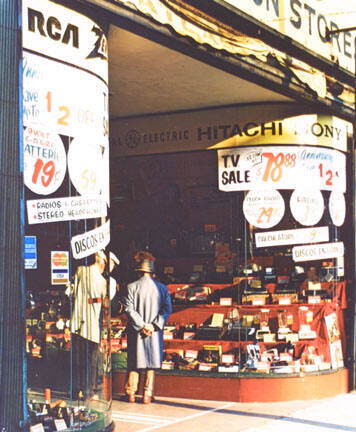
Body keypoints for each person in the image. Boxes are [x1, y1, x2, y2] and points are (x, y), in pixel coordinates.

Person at [67, 250, 119, 399]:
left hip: (77, 324)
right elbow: (108, 306)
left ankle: (77, 390)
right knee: (91, 361)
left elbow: (70, 293)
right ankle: (89, 391)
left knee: (78, 360)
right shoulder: (104, 282)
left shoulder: (80, 271)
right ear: (103, 262)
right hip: (92, 328)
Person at [123, 258, 172, 403]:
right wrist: (154, 325)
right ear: (152, 272)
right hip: (154, 332)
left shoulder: (131, 287)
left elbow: (129, 309)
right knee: (151, 363)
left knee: (135, 362)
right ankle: (147, 394)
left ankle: (131, 393)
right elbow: (167, 309)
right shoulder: (162, 288)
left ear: (139, 272)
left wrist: (142, 325)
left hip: (137, 331)